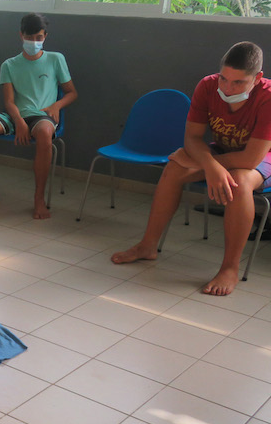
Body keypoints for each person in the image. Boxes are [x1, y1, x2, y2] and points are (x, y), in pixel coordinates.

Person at [112, 41, 271, 296]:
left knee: (239, 181)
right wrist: (211, 166)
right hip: (222, 152)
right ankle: (147, 246)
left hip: (262, 157)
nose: (228, 89)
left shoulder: (268, 97)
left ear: (258, 78)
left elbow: (251, 159)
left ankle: (229, 268)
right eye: (224, 79)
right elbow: (192, 139)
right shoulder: (207, 85)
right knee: (175, 168)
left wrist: (213, 166)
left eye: (238, 83)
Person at [0, 13, 77, 219]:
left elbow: (71, 92)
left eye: (39, 38)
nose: (34, 42)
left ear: (45, 37)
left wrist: (57, 106)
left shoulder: (55, 59)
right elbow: (9, 101)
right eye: (30, 37)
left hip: (42, 116)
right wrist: (18, 121)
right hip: (15, 115)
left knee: (44, 131)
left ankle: (39, 199)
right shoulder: (9, 64)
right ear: (21, 35)